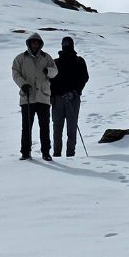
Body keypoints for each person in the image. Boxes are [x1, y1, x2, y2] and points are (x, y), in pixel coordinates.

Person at [12, 32, 58, 161]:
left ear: (40, 44)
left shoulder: (46, 57)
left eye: (37, 42)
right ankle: (25, 152)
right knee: (26, 127)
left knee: (45, 126)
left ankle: (46, 152)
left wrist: (48, 71)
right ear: (29, 43)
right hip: (27, 96)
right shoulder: (20, 58)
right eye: (33, 42)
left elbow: (55, 71)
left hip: (43, 96)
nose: (35, 44)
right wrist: (23, 84)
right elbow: (15, 73)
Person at [51, 36, 90, 157]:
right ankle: (57, 153)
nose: (66, 46)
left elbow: (84, 78)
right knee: (57, 127)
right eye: (65, 44)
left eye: (68, 44)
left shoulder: (79, 61)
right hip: (58, 98)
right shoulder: (55, 62)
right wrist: (52, 96)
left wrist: (75, 91)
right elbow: (50, 81)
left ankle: (70, 153)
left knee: (71, 127)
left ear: (72, 45)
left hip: (73, 97)